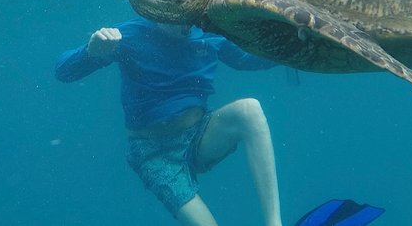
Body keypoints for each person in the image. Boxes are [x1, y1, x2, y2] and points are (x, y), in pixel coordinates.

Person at [55, 16, 282, 226]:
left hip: (201, 134)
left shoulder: (209, 32)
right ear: (159, 9)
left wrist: (294, 47)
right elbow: (64, 72)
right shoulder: (130, 34)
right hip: (154, 155)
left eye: (188, 12)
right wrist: (91, 51)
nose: (184, 22)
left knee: (249, 109)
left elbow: (248, 59)